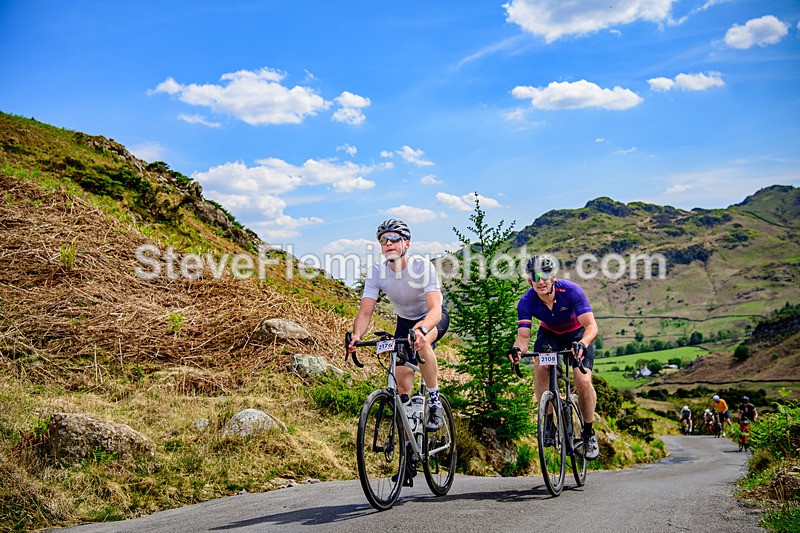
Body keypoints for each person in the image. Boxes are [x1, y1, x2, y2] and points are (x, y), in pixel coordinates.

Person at [348, 219, 449, 435]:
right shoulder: (377, 272)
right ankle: (409, 453)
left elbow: (435, 309)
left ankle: (434, 401)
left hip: (432, 317)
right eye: (384, 240)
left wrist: (422, 330)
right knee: (402, 386)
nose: (389, 243)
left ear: (407, 244)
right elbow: (365, 312)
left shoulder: (422, 266)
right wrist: (357, 335)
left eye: (394, 239)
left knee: (422, 344)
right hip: (404, 321)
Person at [508, 255, 600, 460]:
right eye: (535, 277)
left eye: (544, 275)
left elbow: (592, 326)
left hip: (577, 335)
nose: (540, 281)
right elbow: (523, 337)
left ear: (553, 276)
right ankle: (549, 423)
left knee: (583, 379)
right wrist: (517, 350)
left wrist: (583, 344)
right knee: (541, 367)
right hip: (550, 335)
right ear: (529, 280)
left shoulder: (571, 291)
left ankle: (588, 432)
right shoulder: (526, 301)